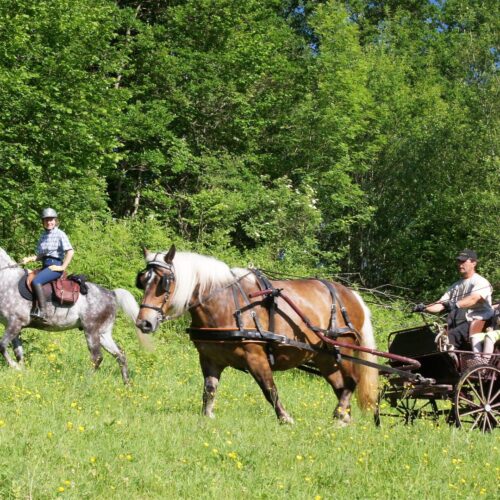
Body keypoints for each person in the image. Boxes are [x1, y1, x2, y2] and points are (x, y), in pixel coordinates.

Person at [413, 249, 493, 351]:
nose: (460, 264)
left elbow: (474, 298)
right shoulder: (455, 286)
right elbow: (441, 304)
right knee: (432, 338)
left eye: (463, 261)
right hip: (459, 325)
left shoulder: (480, 281)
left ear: (474, 263)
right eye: (459, 261)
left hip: (478, 323)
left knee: (448, 338)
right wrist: (424, 308)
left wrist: (455, 304)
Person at [20, 208, 74, 320]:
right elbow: (41, 255)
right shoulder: (43, 236)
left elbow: (70, 251)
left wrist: (62, 267)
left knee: (36, 281)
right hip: (45, 266)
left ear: (56, 221)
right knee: (27, 276)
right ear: (43, 222)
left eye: (51, 220)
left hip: (55, 266)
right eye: (46, 220)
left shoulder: (60, 234)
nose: (49, 222)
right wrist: (29, 259)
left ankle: (43, 312)